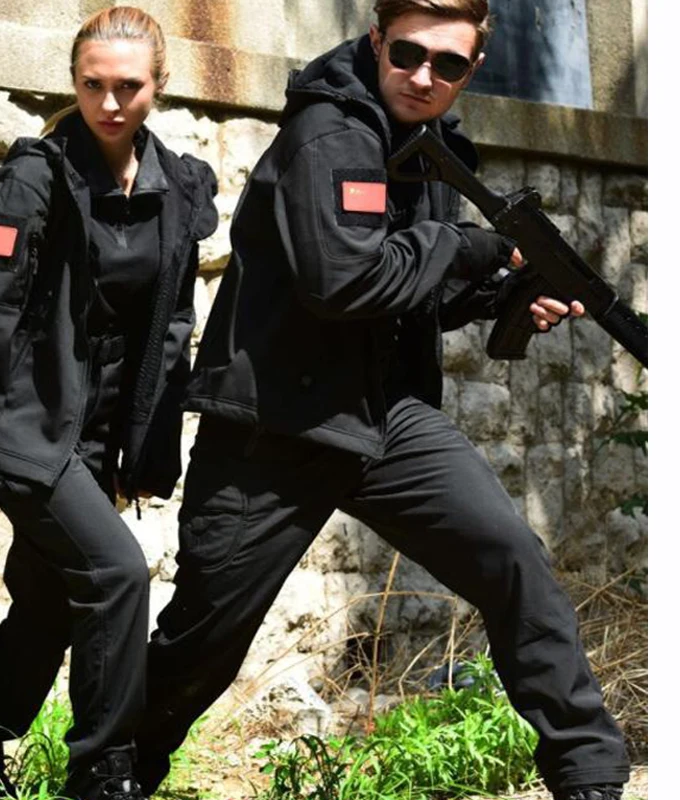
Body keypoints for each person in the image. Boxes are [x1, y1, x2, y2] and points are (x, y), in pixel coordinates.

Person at [132, 2, 630, 800]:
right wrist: (463, 246)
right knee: (204, 640)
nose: (424, 76)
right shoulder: (329, 134)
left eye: (449, 64)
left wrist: (501, 295)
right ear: (376, 42)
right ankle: (111, 773)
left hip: (386, 416)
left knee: (513, 561)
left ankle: (591, 772)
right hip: (276, 423)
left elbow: (412, 297)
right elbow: (344, 282)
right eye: (407, 54)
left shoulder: (432, 146)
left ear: (472, 69)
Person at [0, 7, 218, 799]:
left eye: (128, 87)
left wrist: (143, 451)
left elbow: (170, 327)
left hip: (93, 437)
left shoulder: (177, 186)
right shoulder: (33, 178)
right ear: (74, 84)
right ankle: (103, 776)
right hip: (27, 425)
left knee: (49, 603)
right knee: (117, 575)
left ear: (157, 86)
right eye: (93, 85)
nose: (109, 103)